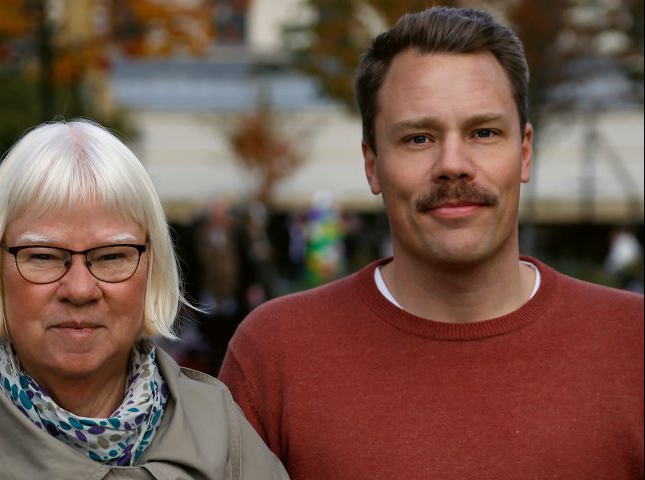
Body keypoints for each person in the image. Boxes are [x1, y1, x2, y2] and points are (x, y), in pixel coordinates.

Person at [219, 6, 643, 479]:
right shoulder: (277, 355)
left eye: (483, 132)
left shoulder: (633, 346)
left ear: (523, 153)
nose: (453, 163)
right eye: (419, 138)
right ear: (372, 165)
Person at [0, 120, 289, 479]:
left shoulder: (228, 443)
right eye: (44, 256)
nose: (81, 289)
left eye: (111, 256)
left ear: (153, 270)